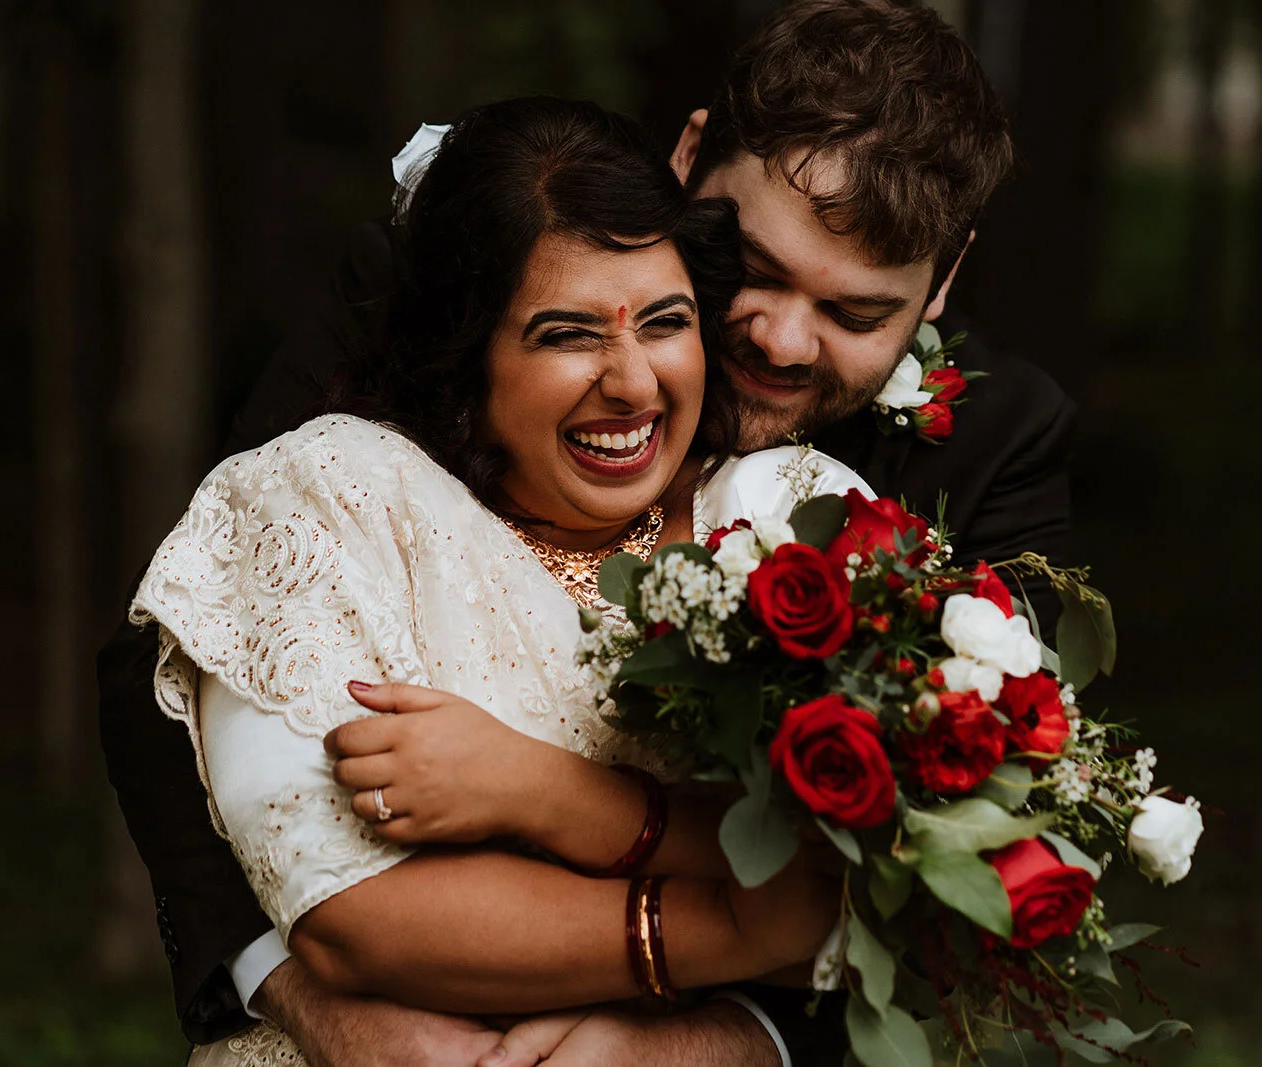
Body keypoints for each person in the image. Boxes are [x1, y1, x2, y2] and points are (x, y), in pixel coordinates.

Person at [99, 2, 1073, 1064]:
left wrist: (711, 1034)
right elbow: (192, 649)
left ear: (941, 281)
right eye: (751, 263)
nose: (779, 340)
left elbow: (966, 854)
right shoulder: (455, 266)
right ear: (690, 158)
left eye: (852, 316)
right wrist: (295, 987)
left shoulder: (984, 450)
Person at [133, 95, 862, 1067]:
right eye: (567, 334)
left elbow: (891, 892)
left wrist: (549, 796)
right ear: (463, 353)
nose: (635, 382)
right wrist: (738, 926)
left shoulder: (799, 514)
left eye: (665, 321)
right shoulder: (331, 501)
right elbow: (356, 917)